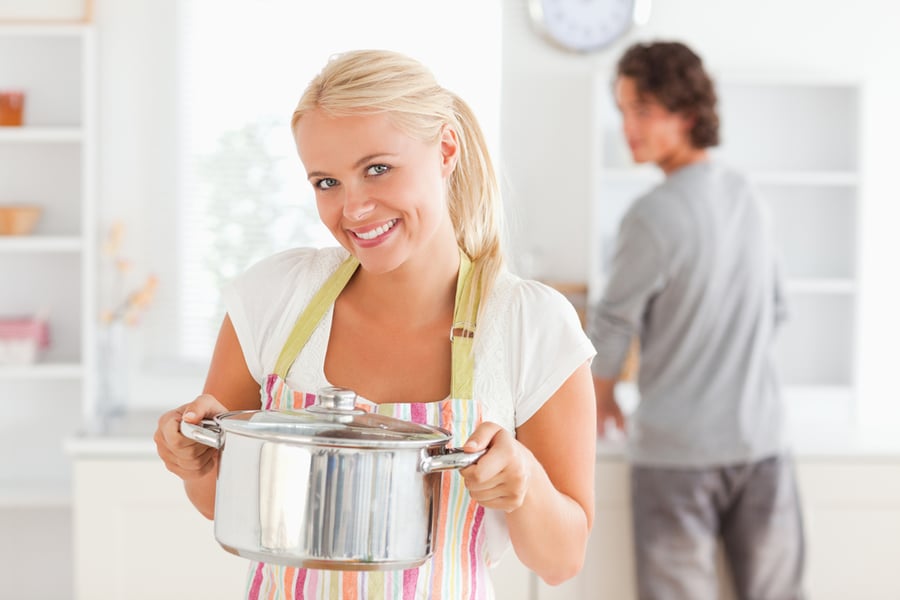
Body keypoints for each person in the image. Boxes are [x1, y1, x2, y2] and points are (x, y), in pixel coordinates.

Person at [154, 48, 597, 599]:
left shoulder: (531, 325)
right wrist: (196, 465)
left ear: (446, 150)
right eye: (326, 182)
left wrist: (522, 482)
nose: (354, 208)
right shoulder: (274, 298)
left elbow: (562, 560)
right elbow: (227, 506)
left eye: (377, 169)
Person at [587, 41, 805, 599]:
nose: (626, 127)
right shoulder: (747, 196)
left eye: (641, 110)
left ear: (685, 114)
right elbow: (778, 308)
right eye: (622, 111)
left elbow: (612, 323)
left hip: (676, 457)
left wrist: (602, 396)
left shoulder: (651, 215)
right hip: (762, 443)